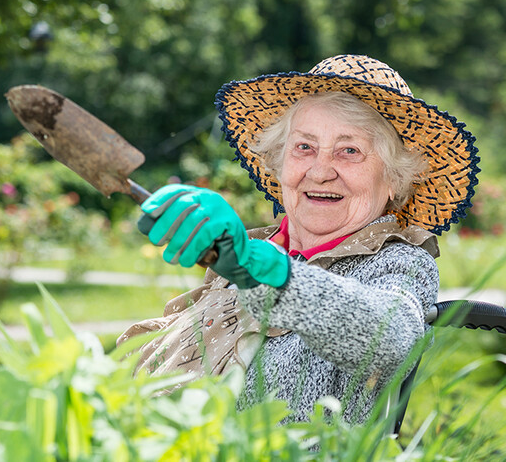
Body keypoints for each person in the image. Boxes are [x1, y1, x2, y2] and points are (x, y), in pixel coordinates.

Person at [117, 54, 480, 425]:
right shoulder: (256, 247)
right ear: (280, 163)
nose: (320, 171)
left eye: (349, 151)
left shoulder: (398, 262)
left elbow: (389, 339)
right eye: (304, 147)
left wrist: (270, 273)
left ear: (393, 180)